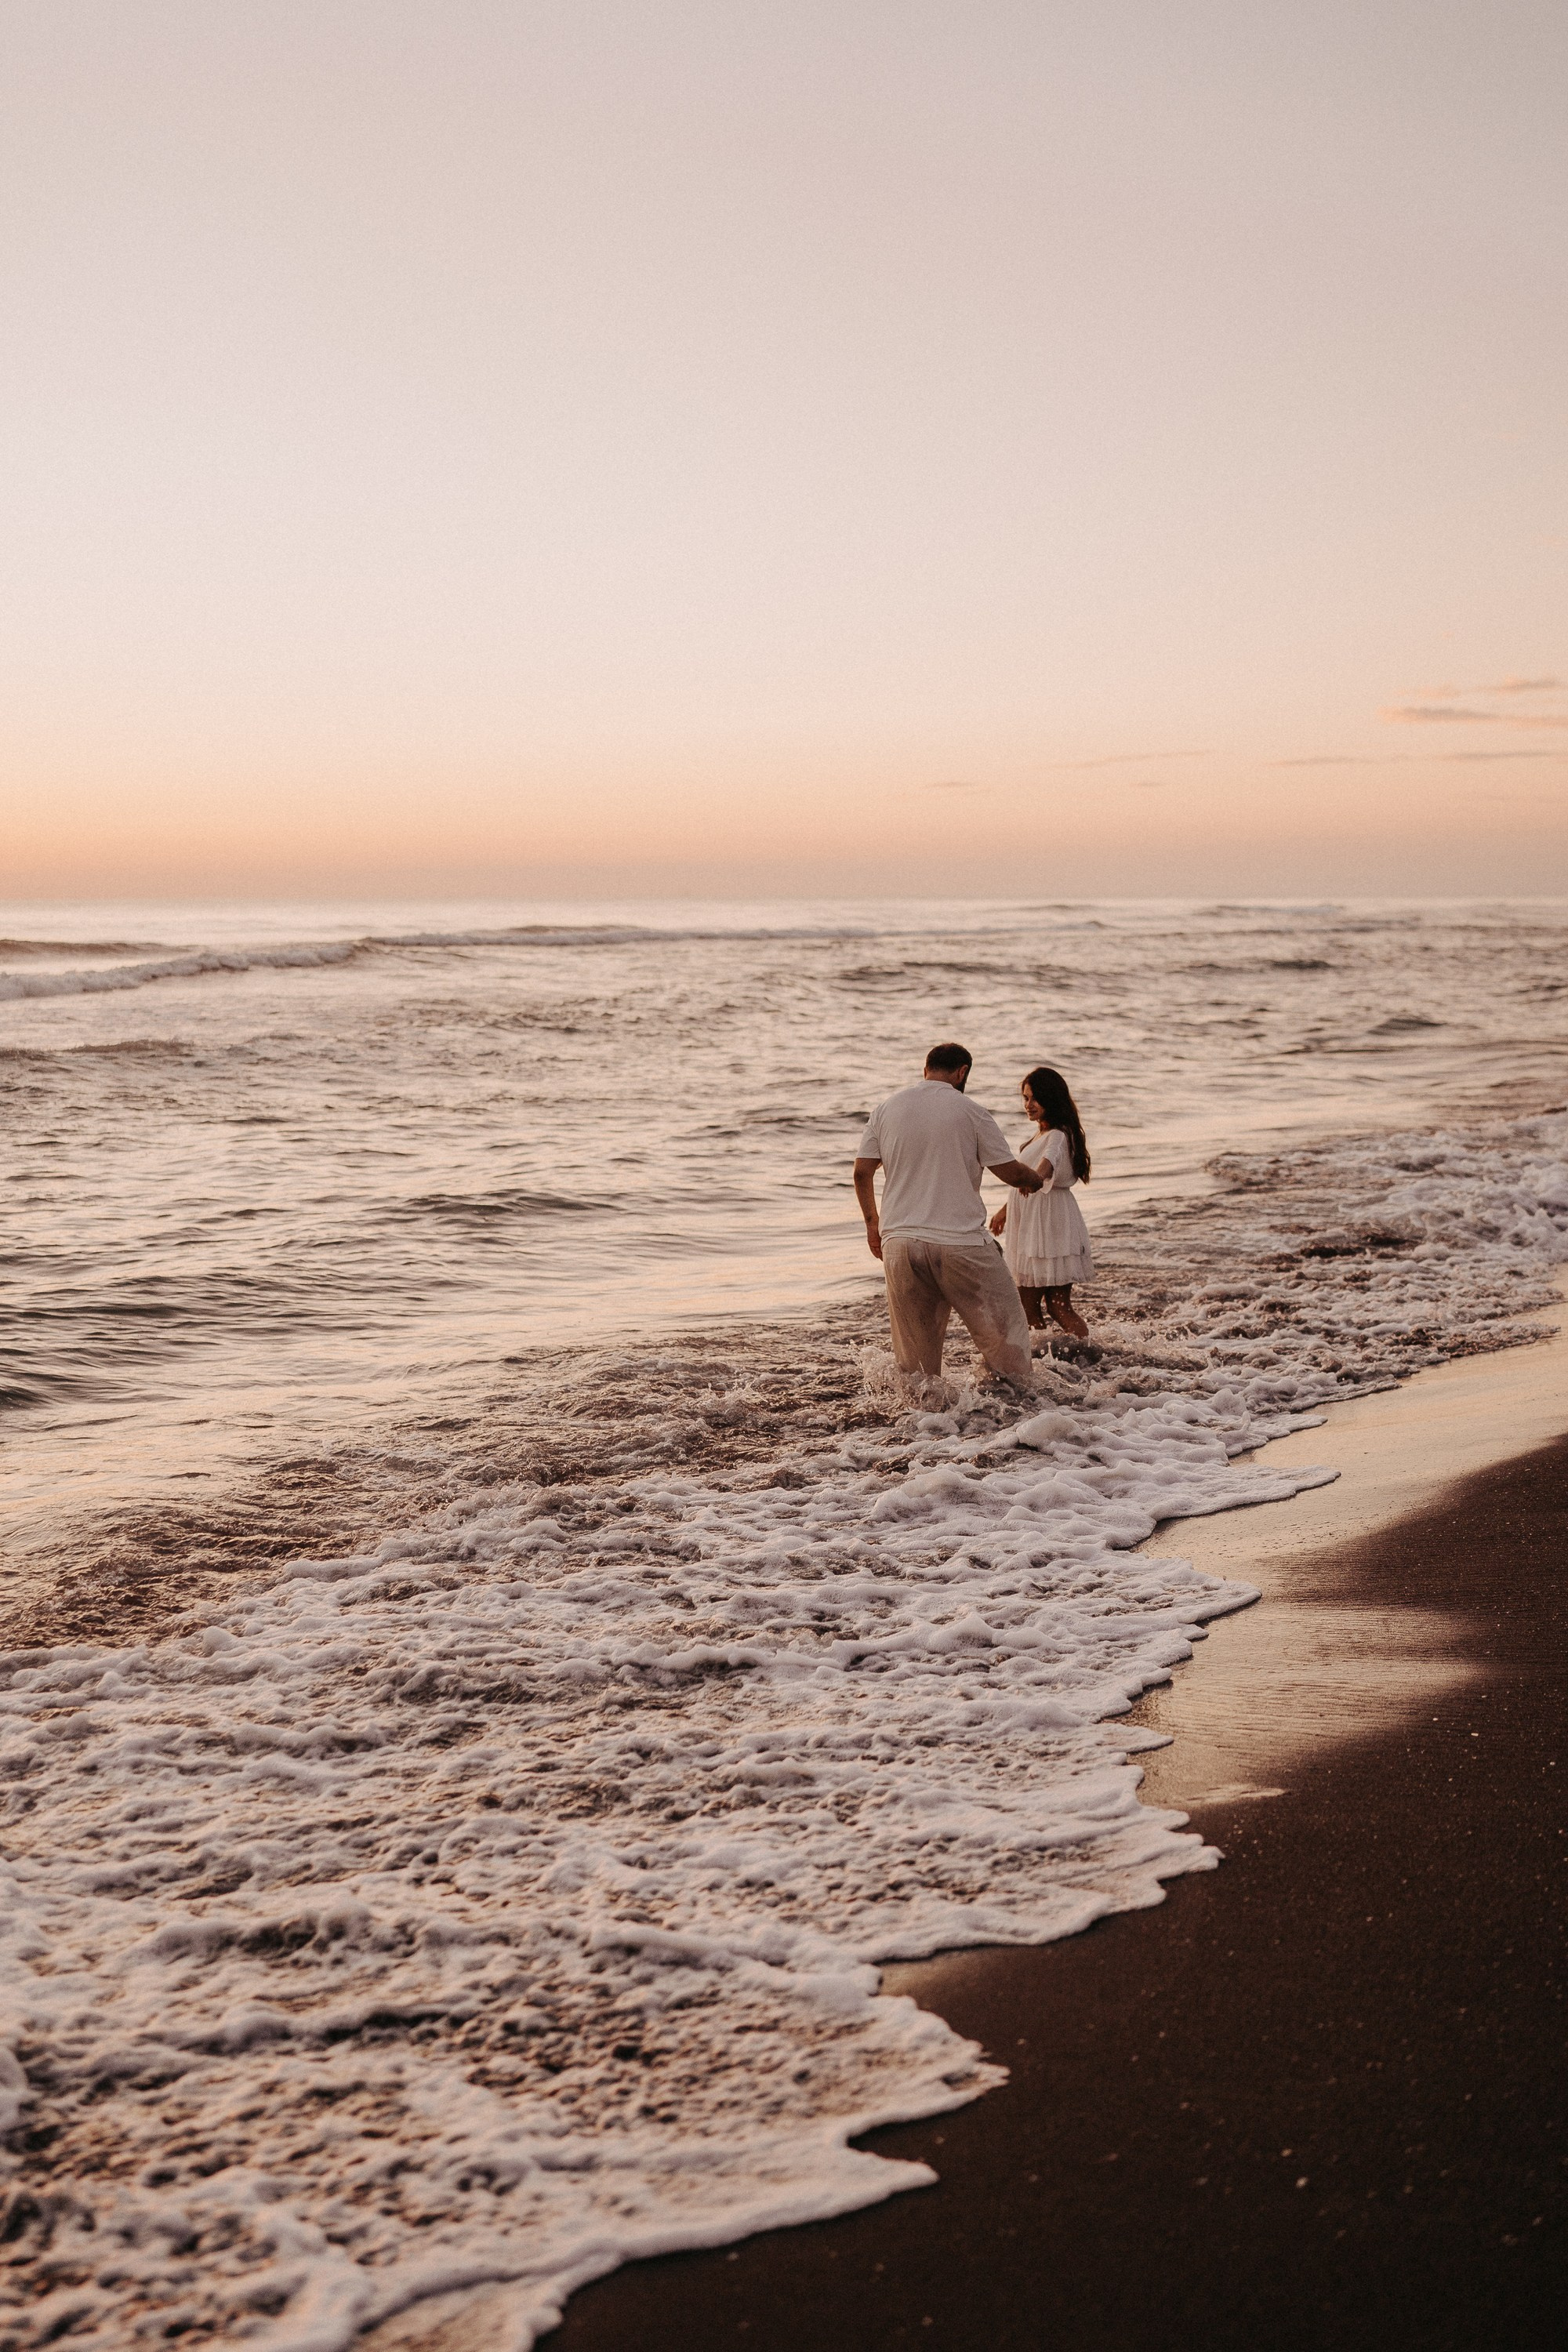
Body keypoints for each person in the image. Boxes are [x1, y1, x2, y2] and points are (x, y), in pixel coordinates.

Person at [853, 1043, 1046, 1387]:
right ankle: (1021, 1415)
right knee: (1008, 1342)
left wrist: (874, 1226)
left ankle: (926, 1431)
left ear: (925, 1070)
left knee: (917, 1371)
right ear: (962, 1073)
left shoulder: (886, 1109)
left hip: (899, 1243)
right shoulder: (970, 1110)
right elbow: (1011, 1173)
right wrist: (1035, 1178)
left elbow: (862, 1171)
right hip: (961, 1245)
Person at [988, 1065, 1094, 1341]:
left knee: (1040, 1306)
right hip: (1045, 1222)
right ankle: (1069, 1356)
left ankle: (1048, 1361)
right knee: (1050, 1306)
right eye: (1025, 1098)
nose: (1028, 1105)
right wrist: (1004, 1211)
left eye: (1034, 1098)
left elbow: (1047, 1167)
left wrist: (1034, 1178)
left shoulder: (1057, 1135)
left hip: (1047, 1227)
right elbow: (1034, 1177)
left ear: (1051, 1098)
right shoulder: (1044, 1134)